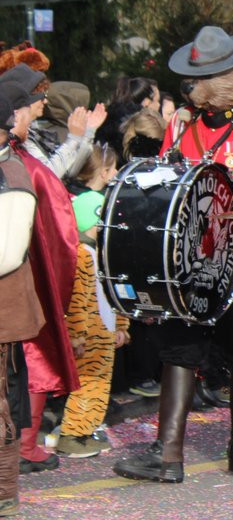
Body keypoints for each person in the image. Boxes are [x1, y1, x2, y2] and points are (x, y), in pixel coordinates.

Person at [113, 26, 233, 483]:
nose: (191, 88)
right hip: (192, 263)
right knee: (180, 348)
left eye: (202, 78)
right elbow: (167, 189)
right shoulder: (184, 129)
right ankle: (167, 452)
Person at [0, 68, 80, 475]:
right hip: (17, 281)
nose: (41, 109)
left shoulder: (22, 159)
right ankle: (23, 447)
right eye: (36, 101)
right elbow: (58, 230)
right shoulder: (19, 165)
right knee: (30, 356)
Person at [56, 144, 130, 458]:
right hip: (94, 322)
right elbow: (82, 299)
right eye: (113, 169)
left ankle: (84, 429)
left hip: (102, 317)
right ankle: (74, 433)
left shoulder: (90, 253)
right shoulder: (87, 250)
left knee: (96, 378)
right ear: (102, 171)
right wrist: (79, 334)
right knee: (91, 378)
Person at [0, 93, 46, 515]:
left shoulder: (11, 174)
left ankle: (3, 495)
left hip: (3, 312)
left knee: (1, 410)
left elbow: (8, 253)